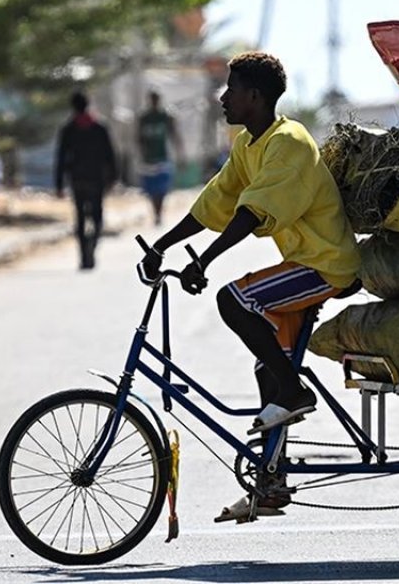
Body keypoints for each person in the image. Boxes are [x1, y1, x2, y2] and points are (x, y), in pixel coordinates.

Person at [138, 51, 360, 522]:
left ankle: (295, 393)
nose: (223, 98)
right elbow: (215, 203)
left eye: (231, 89)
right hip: (303, 262)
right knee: (267, 366)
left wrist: (207, 260)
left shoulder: (289, 143)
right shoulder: (248, 146)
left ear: (255, 97)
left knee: (234, 299)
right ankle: (272, 483)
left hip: (325, 264)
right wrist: (162, 245)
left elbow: (252, 211)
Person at [55, 91, 118, 270]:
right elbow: (110, 154)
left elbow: (60, 158)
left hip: (77, 179)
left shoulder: (68, 129)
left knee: (81, 218)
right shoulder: (99, 126)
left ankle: (84, 255)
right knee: (97, 216)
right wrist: (113, 177)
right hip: (96, 179)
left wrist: (59, 184)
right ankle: (92, 245)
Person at [137, 90, 184, 226]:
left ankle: (159, 213)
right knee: (151, 190)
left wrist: (181, 154)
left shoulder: (165, 117)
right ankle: (155, 212)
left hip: (162, 157)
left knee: (162, 189)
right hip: (148, 159)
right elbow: (138, 138)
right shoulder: (144, 118)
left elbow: (174, 135)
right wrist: (141, 153)